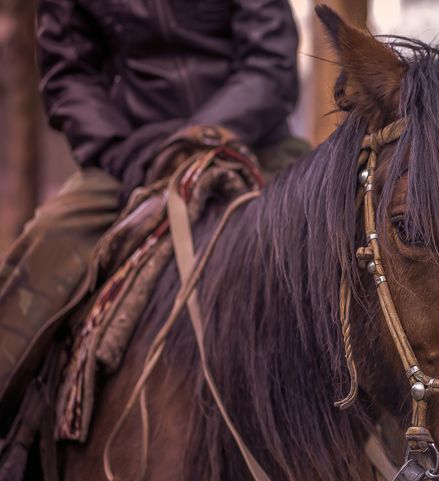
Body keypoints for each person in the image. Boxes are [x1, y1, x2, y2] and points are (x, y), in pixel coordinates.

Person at [0, 0, 308, 413]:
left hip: (254, 141)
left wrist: (201, 138)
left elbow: (270, 63)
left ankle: (401, 447)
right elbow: (69, 76)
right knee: (46, 241)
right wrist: (124, 154)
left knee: (335, 229)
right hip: (132, 156)